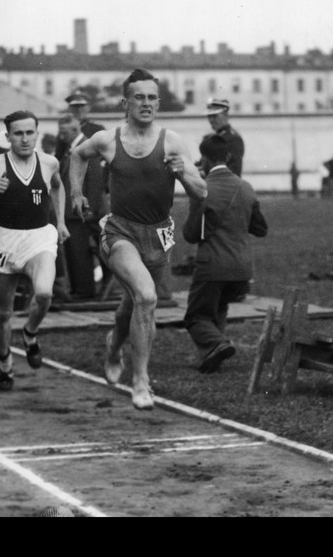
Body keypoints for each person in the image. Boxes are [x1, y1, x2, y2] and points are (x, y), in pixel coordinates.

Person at [69, 69, 207, 410]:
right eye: (139, 97)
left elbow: (201, 192)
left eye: (151, 98)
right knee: (146, 297)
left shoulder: (173, 142)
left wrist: (183, 173)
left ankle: (114, 346)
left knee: (131, 304)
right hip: (119, 232)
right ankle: (141, 381)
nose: (146, 103)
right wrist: (76, 191)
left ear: (158, 103)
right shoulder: (108, 139)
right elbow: (77, 156)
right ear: (125, 102)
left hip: (158, 237)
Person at [0, 110, 69, 391]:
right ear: (8, 136)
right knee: (2, 313)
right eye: (18, 134)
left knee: (44, 293)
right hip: (6, 241)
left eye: (30, 133)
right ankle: (4, 363)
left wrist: (59, 222)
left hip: (39, 238)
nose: (25, 139)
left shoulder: (49, 162)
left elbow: (58, 188)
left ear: (37, 133)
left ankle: (30, 333)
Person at [182, 134, 268, 374]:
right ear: (229, 157)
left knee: (196, 317)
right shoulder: (246, 187)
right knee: (218, 309)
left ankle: (218, 344)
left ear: (205, 160)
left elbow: (191, 234)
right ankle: (212, 356)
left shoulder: (204, 188)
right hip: (242, 269)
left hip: (212, 266)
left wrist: (195, 201)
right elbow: (260, 229)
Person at [57, 113, 109, 299]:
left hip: (84, 212)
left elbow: (95, 180)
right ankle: (80, 288)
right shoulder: (70, 148)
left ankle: (84, 290)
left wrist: (91, 209)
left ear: (74, 130)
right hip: (74, 211)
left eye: (63, 132)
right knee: (74, 251)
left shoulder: (87, 146)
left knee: (80, 251)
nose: (60, 136)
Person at [204, 97, 244, 177]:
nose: (211, 120)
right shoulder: (210, 137)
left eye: (214, 116)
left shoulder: (233, 139)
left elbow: (233, 172)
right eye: (209, 116)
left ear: (225, 115)